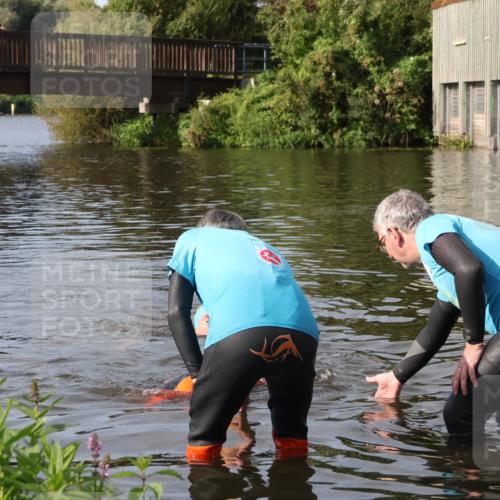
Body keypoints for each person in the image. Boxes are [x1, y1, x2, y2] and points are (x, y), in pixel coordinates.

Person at [168, 208, 319, 463]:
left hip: (238, 338)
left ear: (205, 227)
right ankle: (294, 481)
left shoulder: (191, 238)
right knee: (292, 438)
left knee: (204, 442)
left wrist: (197, 375)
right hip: (303, 335)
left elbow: (176, 313)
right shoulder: (263, 247)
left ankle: (208, 481)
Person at [366, 189, 500, 434]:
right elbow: (434, 330)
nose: (387, 254)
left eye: (381, 243)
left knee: (460, 415)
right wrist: (397, 376)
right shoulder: (443, 266)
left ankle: (464, 472)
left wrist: (473, 344)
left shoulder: (430, 228)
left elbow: (469, 270)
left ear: (393, 233)